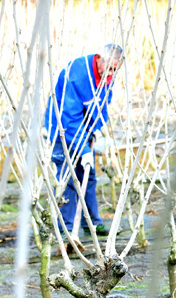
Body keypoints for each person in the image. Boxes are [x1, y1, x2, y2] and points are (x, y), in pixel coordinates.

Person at [44, 44, 124, 237]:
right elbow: (70, 120)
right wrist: (84, 150)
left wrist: (96, 129)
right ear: (99, 59)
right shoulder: (77, 75)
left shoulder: (107, 75)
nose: (112, 74)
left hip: (84, 129)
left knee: (88, 177)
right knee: (68, 177)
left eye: (116, 70)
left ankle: (92, 224)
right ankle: (66, 229)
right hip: (62, 130)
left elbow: (102, 104)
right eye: (111, 68)